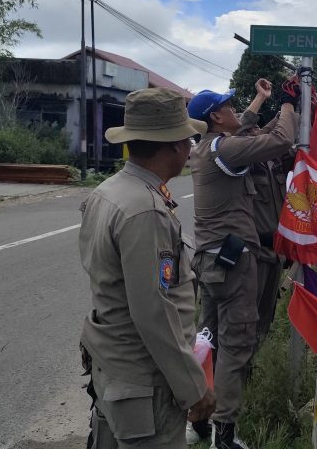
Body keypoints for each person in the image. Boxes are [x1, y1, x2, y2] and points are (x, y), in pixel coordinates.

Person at [79, 87, 215, 449]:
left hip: (113, 368)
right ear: (174, 145)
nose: (190, 149)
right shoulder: (145, 209)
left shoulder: (108, 191)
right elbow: (153, 311)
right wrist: (194, 387)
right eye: (188, 140)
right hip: (144, 382)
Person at [186, 78, 298, 449]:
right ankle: (224, 435)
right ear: (216, 117)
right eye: (229, 107)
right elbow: (280, 139)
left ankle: (197, 421)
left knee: (207, 341)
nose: (237, 111)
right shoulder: (226, 149)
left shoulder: (209, 147)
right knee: (236, 346)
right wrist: (287, 104)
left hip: (211, 261)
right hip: (234, 263)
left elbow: (245, 126)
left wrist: (261, 99)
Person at [237, 107, 291, 347]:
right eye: (251, 129)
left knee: (266, 314)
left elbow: (285, 135)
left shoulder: (274, 160)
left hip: (275, 251)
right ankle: (238, 361)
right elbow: (241, 133)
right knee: (245, 317)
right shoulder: (240, 161)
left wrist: (293, 107)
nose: (256, 131)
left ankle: (254, 355)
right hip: (253, 253)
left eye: (258, 128)